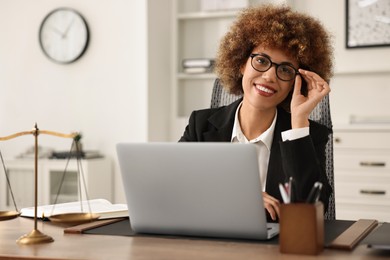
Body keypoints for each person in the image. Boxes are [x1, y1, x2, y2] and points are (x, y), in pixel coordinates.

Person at [179, 4, 334, 222]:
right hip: (208, 242)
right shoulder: (201, 124)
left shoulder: (307, 135)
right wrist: (240, 196)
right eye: (261, 61)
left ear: (295, 83)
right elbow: (176, 186)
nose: (270, 76)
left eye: (285, 70)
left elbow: (313, 211)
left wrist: (298, 121)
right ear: (242, 63)